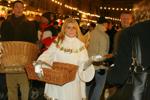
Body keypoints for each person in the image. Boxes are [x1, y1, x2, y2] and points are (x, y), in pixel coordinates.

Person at [35, 17, 95, 100]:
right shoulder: (58, 41)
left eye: (73, 28)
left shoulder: (80, 45)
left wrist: (90, 61)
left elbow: (83, 63)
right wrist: (39, 63)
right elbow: (48, 54)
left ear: (77, 30)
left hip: (73, 81)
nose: (71, 30)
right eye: (68, 27)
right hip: (57, 79)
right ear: (64, 29)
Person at [108, 0, 150, 99]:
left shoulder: (129, 33)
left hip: (140, 89)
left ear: (137, 14)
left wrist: (111, 75)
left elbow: (119, 76)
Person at [0, 1, 37, 100]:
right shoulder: (6, 23)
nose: (19, 9)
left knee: (24, 86)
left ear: (23, 9)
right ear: (13, 9)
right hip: (9, 59)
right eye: (16, 7)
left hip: (23, 59)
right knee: (11, 86)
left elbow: (33, 41)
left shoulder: (30, 24)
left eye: (21, 7)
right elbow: (3, 40)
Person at [86, 16, 110, 100]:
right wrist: (102, 65)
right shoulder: (104, 36)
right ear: (104, 24)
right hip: (99, 65)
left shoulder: (90, 33)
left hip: (88, 64)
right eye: (107, 24)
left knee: (88, 85)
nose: (108, 26)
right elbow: (103, 53)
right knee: (99, 86)